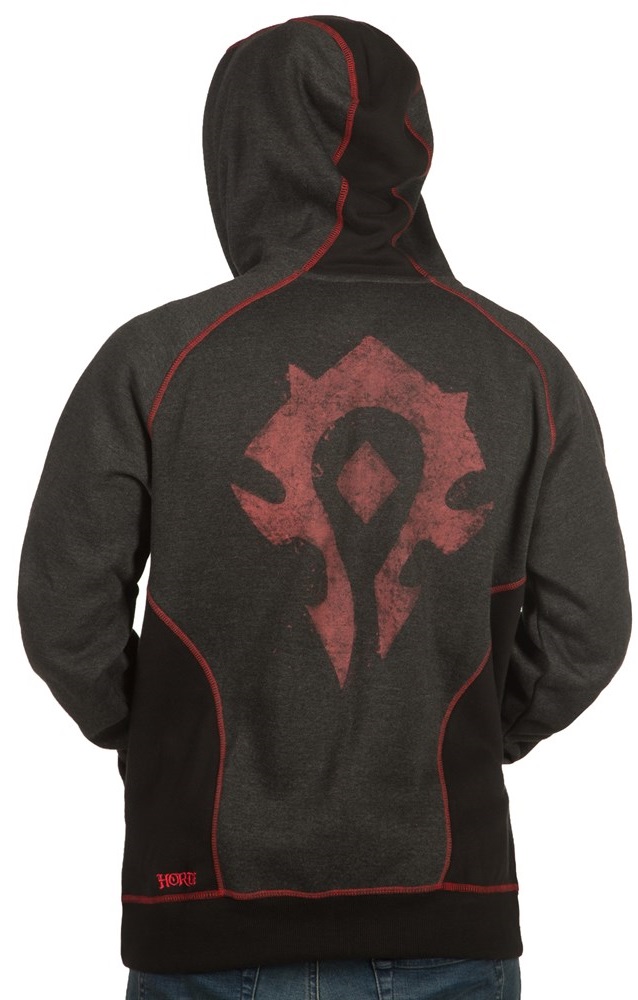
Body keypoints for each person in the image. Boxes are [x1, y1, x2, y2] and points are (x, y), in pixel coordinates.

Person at [17, 14, 631, 1000]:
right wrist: (475, 731)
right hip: (451, 914)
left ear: (241, 156)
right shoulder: (521, 365)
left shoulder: (158, 359)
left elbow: (65, 616)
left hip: (206, 912)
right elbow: (587, 628)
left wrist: (172, 743)